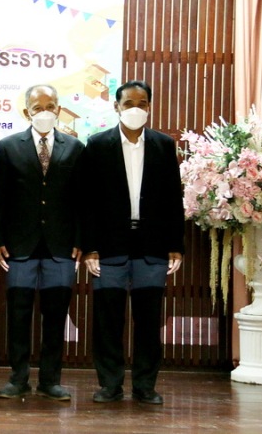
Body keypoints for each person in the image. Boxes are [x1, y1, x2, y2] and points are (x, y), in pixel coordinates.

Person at [79, 80, 185, 405]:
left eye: (142, 103)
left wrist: (175, 245)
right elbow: (87, 203)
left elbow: (173, 199)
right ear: (117, 107)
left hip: (152, 245)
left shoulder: (163, 145)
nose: (135, 109)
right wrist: (89, 247)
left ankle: (145, 386)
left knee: (149, 320)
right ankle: (110, 385)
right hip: (109, 246)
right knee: (108, 320)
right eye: (128, 103)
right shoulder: (97, 144)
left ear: (150, 107)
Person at [0, 84, 84, 401]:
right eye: (37, 107)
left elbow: (82, 200)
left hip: (61, 247)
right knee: (18, 315)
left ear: (58, 109)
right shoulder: (8, 146)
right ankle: (18, 378)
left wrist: (80, 239)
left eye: (50, 106)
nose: (44, 112)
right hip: (19, 246)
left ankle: (50, 380)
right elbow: (0, 198)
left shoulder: (76, 147)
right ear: (26, 112)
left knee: (56, 316)